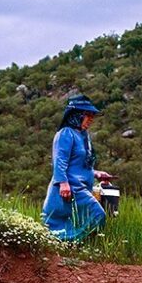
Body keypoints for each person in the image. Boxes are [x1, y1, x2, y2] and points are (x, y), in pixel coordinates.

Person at [42, 94, 114, 241]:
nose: (91, 119)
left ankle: (72, 247)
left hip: (81, 187)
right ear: (77, 115)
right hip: (70, 188)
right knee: (97, 214)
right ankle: (70, 245)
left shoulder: (83, 135)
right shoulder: (65, 133)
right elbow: (59, 160)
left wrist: (96, 173)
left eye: (92, 116)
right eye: (88, 115)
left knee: (77, 221)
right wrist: (63, 183)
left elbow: (79, 164)